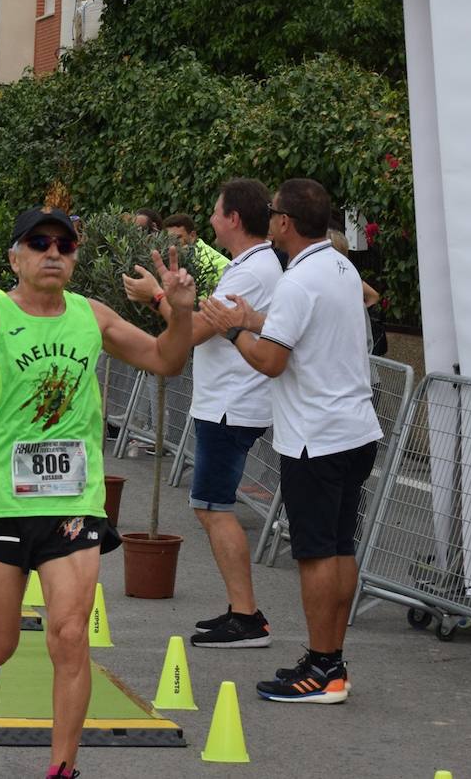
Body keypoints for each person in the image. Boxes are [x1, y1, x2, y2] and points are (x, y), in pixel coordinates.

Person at [0, 207, 194, 778]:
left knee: (71, 635)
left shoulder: (92, 317)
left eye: (65, 245)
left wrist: (182, 313)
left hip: (73, 503)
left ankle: (61, 769)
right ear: (15, 257)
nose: (53, 252)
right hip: (2, 502)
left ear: (74, 257)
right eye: (39, 242)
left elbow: (166, 359)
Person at [200, 178, 383, 704]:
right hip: (354, 429)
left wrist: (234, 332)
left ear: (283, 222)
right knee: (339, 547)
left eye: (274, 212)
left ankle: (323, 667)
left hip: (316, 438)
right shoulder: (339, 267)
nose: (271, 218)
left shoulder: (298, 280)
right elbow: (294, 325)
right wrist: (248, 319)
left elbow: (272, 361)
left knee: (316, 554)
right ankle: (330, 657)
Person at [124, 180, 281, 649]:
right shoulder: (252, 265)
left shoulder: (249, 272)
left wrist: (157, 298)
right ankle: (241, 611)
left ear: (234, 218)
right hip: (230, 401)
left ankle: (247, 616)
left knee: (212, 506)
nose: (210, 219)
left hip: (231, 404)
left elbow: (192, 331)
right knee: (210, 504)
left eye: (215, 211)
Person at [163, 213, 231, 280]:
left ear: (192, 236)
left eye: (178, 237)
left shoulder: (205, 262)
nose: (172, 243)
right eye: (169, 238)